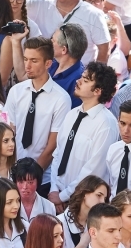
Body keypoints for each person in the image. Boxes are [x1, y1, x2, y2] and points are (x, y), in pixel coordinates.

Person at [4, 36, 72, 192]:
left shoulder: (61, 99)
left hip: (41, 178)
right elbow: (8, 129)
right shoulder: (16, 91)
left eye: (34, 61)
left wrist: (30, 177)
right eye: (26, 59)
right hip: (11, 173)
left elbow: (52, 146)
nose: (27, 65)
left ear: (48, 63)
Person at [49, 63, 119, 211]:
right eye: (82, 77)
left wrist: (64, 196)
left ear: (98, 91)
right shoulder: (72, 114)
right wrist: (54, 189)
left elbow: (94, 169)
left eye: (86, 80)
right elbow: (58, 154)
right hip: (57, 197)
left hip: (83, 204)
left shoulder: (106, 124)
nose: (78, 81)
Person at [28, 0, 110, 64]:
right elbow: (15, 7)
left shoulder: (94, 14)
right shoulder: (40, 4)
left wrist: (94, 76)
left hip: (78, 76)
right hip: (44, 74)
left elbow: (104, 48)